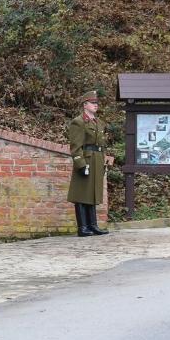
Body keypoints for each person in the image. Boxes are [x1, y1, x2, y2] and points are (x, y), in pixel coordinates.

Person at [67, 90, 110, 237]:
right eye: (93, 103)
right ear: (85, 105)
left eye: (96, 103)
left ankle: (93, 225)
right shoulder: (78, 122)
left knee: (91, 194)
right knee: (81, 194)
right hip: (86, 159)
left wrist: (103, 160)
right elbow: (75, 146)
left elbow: (101, 145)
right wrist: (81, 164)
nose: (96, 105)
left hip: (97, 159)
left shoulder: (98, 123)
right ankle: (83, 227)